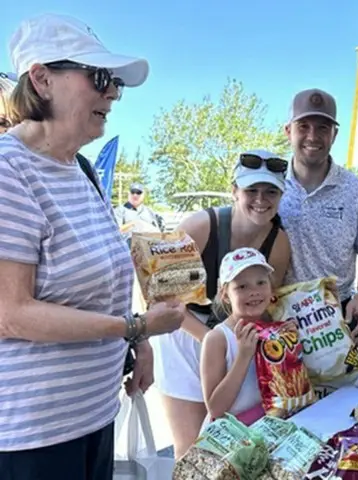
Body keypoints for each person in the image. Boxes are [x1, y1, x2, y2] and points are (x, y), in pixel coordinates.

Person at [0, 14, 185, 479]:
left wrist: (137, 341)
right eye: (101, 78)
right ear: (42, 79)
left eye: (116, 83)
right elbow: (12, 313)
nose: (114, 94)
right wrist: (134, 325)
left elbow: (105, 278)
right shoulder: (9, 171)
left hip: (95, 415)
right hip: (34, 435)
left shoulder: (82, 170)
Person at [151, 149, 291, 459]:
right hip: (183, 336)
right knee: (191, 449)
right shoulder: (201, 226)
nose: (261, 199)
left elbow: (268, 301)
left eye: (271, 191)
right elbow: (163, 298)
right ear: (234, 191)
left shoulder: (278, 242)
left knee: (233, 443)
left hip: (234, 338)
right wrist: (211, 341)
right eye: (251, 190)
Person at [280, 88, 358, 344]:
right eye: (303, 126)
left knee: (341, 385)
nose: (312, 136)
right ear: (288, 131)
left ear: (334, 134)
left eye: (323, 128)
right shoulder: (270, 187)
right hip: (279, 318)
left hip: (336, 320)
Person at [200, 247, 292, 426]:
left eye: (261, 282)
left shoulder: (277, 323)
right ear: (225, 295)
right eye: (242, 286)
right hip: (235, 436)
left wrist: (292, 345)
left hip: (275, 425)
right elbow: (216, 409)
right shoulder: (218, 339)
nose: (254, 291)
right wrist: (243, 356)